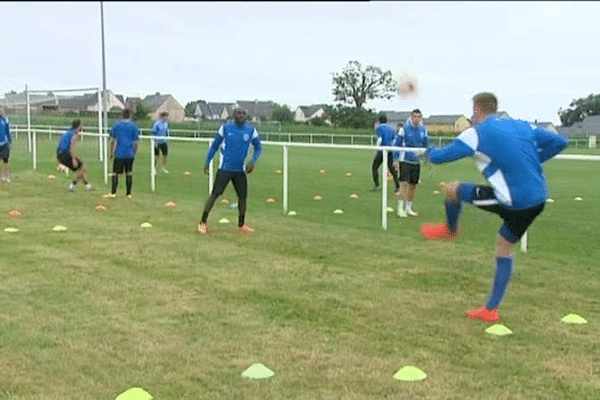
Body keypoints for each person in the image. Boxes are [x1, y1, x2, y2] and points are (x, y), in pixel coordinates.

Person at [420, 92, 568, 323]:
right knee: (504, 246)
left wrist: (428, 151)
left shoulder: (476, 133)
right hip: (538, 199)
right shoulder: (522, 125)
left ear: (477, 110)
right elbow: (561, 141)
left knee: (452, 189)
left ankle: (451, 230)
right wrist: (536, 161)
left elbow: (440, 157)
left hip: (513, 201)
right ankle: (491, 310)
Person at [197, 108, 262, 235]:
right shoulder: (226, 128)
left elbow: (258, 147)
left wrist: (253, 161)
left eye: (244, 113)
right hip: (225, 169)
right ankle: (202, 222)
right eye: (239, 113)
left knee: (242, 197)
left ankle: (241, 225)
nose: (241, 115)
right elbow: (215, 145)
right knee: (215, 195)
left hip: (240, 170)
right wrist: (207, 161)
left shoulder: (251, 130)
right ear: (233, 115)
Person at [396, 109, 429, 217]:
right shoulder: (404, 129)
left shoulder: (423, 129)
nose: (416, 119)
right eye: (414, 116)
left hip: (416, 161)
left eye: (418, 117)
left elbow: (425, 144)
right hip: (405, 160)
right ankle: (400, 209)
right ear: (411, 117)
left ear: (421, 118)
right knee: (404, 184)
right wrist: (396, 160)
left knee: (413, 186)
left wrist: (426, 158)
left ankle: (408, 208)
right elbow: (397, 145)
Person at [103, 108, 140, 198]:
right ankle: (128, 194)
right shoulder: (134, 126)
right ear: (130, 115)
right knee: (129, 172)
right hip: (130, 153)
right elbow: (136, 143)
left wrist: (110, 153)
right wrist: (134, 153)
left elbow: (112, 140)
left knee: (115, 173)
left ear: (122, 115)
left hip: (119, 153)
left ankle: (113, 193)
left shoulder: (116, 125)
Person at [56, 119, 91, 191]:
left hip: (60, 154)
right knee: (82, 169)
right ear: (79, 126)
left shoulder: (67, 131)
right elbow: (72, 147)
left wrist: (57, 157)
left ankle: (86, 184)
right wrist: (73, 159)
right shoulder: (75, 133)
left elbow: (60, 143)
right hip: (66, 154)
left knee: (82, 168)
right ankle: (74, 185)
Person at [370, 114, 400, 192]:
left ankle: (376, 185)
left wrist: (377, 150)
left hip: (382, 150)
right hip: (390, 150)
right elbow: (394, 140)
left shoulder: (379, 128)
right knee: (391, 168)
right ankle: (397, 185)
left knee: (375, 167)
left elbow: (379, 139)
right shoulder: (391, 128)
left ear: (379, 121)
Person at [0, 106, 11, 183]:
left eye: (2, 110)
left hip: (4, 143)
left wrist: (9, 140)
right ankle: (0, 177)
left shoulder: (5, 119)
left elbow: (7, 130)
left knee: (6, 160)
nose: (1, 111)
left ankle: (7, 177)